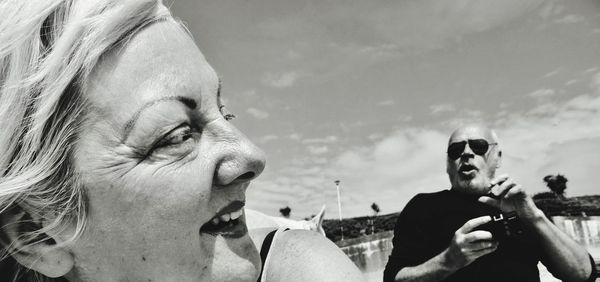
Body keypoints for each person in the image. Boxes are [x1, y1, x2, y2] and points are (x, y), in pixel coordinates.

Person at [0, 1, 362, 281]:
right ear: (39, 235)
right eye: (177, 136)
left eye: (225, 113)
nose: (252, 155)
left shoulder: (299, 270)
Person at [383, 124, 596, 282]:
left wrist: (535, 218)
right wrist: (449, 261)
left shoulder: (522, 207)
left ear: (498, 157)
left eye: (478, 146)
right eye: (456, 150)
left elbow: (583, 274)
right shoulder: (423, 207)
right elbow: (393, 279)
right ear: (448, 164)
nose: (466, 153)